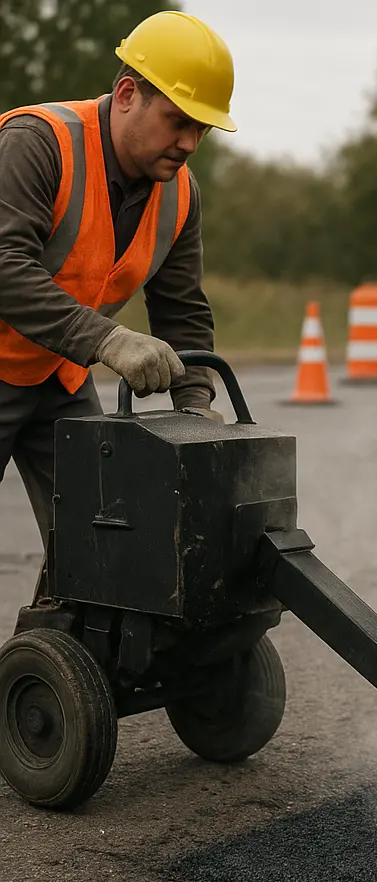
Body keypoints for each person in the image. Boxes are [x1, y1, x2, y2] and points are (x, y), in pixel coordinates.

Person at [0, 11, 235, 615]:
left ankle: (42, 678)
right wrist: (106, 339)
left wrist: (194, 405)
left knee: (100, 540)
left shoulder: (179, 193)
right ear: (128, 94)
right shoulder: (37, 143)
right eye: (178, 121)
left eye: (202, 129)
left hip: (59, 376)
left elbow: (181, 308)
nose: (188, 142)